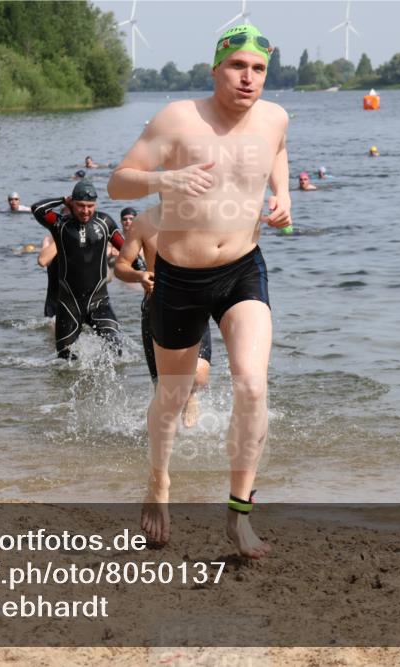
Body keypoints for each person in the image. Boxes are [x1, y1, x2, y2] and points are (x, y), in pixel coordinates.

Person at [107, 23, 290, 559]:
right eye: (238, 66)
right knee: (171, 395)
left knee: (252, 385)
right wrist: (167, 180)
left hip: (242, 268)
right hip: (180, 279)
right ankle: (158, 482)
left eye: (258, 69)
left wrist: (283, 196)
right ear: (216, 69)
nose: (248, 78)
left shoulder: (276, 117)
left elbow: (277, 151)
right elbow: (119, 182)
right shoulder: (178, 119)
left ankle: (238, 514)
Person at [115, 206, 212, 428]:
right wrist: (139, 275)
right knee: (163, 388)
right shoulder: (144, 222)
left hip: (194, 306)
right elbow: (121, 266)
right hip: (156, 308)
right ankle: (160, 445)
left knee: (198, 376)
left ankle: (191, 395)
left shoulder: (203, 219)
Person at [31, 181, 126, 358]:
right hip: (68, 306)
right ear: (72, 203)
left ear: (96, 204)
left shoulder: (104, 222)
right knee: (65, 361)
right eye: (80, 205)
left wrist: (145, 273)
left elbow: (128, 251)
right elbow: (37, 208)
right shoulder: (59, 225)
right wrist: (62, 200)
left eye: (90, 206)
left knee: (117, 349)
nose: (85, 211)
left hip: (99, 302)